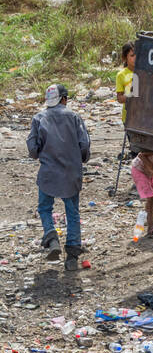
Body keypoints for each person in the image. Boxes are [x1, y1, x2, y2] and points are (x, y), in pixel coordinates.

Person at [26, 84, 90, 270]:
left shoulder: (39, 118)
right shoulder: (74, 117)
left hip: (49, 173)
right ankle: (72, 254)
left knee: (45, 208)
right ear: (64, 99)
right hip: (71, 173)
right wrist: (81, 159)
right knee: (72, 212)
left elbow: (32, 149)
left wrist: (40, 154)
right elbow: (84, 145)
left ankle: (51, 235)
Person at [116, 42, 135, 122]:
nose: (135, 58)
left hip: (145, 116)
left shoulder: (145, 72)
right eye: (132, 56)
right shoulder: (121, 75)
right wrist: (133, 97)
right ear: (125, 58)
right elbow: (119, 98)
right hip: (129, 117)